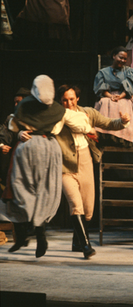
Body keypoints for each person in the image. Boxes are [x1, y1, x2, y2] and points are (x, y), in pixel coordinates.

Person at [4, 75, 94, 257]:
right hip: (27, 151)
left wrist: (87, 126)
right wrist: (20, 130)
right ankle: (24, 235)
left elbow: (79, 123)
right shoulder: (26, 105)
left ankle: (40, 235)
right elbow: (12, 124)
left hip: (48, 151)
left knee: (44, 194)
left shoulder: (57, 110)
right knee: (20, 193)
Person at [56, 85, 130, 259]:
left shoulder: (87, 113)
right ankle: (85, 246)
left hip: (85, 162)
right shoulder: (56, 115)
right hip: (65, 166)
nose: (69, 103)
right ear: (60, 101)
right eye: (65, 100)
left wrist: (123, 121)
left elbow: (109, 123)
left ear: (77, 99)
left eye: (72, 99)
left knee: (88, 210)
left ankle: (76, 241)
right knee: (76, 204)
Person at [94, 46, 133, 147]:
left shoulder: (129, 71)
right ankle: (106, 135)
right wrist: (110, 96)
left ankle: (123, 137)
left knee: (124, 104)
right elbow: (101, 88)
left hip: (124, 95)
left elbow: (129, 87)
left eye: (125, 58)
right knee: (105, 102)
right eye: (120, 57)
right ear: (114, 56)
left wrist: (120, 97)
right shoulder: (103, 72)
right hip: (108, 95)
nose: (123, 60)